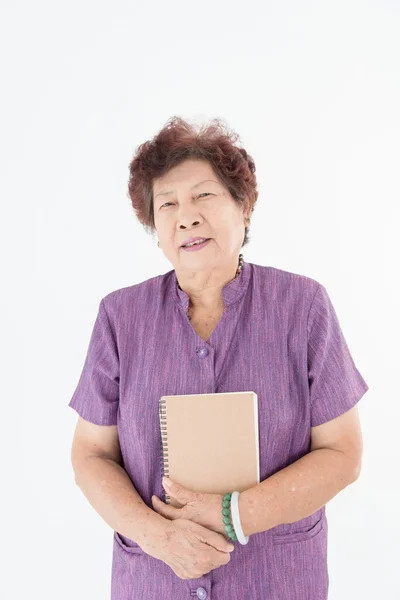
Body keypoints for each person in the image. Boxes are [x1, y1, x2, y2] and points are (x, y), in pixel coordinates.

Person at [68, 116, 369, 600]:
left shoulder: (304, 306)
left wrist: (233, 513)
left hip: (277, 580)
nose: (185, 217)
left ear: (244, 206)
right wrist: (159, 537)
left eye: (203, 196)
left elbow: (342, 454)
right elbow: (90, 455)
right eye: (167, 204)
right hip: (153, 581)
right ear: (154, 225)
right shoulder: (119, 317)